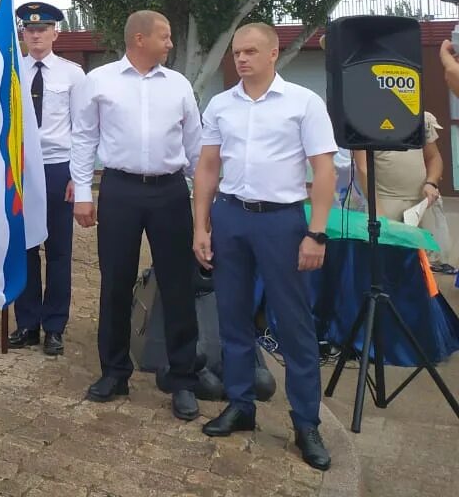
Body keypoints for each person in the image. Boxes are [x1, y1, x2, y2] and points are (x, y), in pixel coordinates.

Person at [192, 23, 337, 471]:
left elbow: (324, 170)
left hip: (282, 221)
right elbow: (208, 167)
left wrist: (316, 232)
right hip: (231, 216)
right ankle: (240, 405)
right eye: (237, 52)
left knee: (293, 324)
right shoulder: (221, 104)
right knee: (233, 317)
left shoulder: (304, 103)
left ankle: (306, 423)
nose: (241, 59)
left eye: (251, 51)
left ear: (274, 53)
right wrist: (201, 226)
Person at [70, 10, 203, 421]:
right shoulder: (101, 80)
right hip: (120, 190)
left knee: (179, 285)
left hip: (170, 192)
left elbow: (195, 145)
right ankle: (114, 371)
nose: (170, 43)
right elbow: (83, 136)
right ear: (140, 39)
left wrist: (204, 203)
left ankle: (182, 379)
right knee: (115, 282)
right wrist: (82, 194)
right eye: (164, 36)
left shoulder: (178, 84)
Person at [9, 2, 86, 356]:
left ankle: (54, 325)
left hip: (58, 168)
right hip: (21, 169)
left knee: (58, 251)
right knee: (24, 250)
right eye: (29, 29)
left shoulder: (73, 74)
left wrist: (78, 177)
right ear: (22, 33)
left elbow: (84, 131)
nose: (35, 34)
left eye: (43, 29)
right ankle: (26, 323)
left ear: (56, 32)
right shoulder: (12, 72)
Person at [353, 110, 452, 268]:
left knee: (425, 263)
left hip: (422, 202)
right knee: (386, 263)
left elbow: (434, 157)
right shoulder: (365, 120)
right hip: (385, 202)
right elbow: (363, 168)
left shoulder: (421, 118)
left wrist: (431, 182)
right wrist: (377, 209)